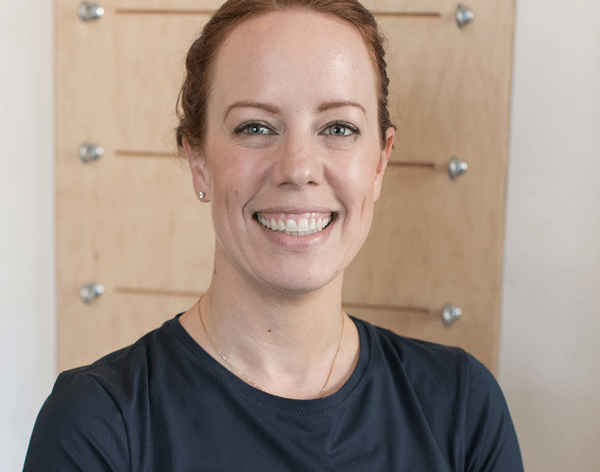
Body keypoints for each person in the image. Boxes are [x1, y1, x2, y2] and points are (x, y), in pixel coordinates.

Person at [24, 0, 524, 470]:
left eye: (339, 128)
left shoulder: (461, 408)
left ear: (380, 161)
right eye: (256, 128)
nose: (299, 168)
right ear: (197, 161)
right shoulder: (98, 425)